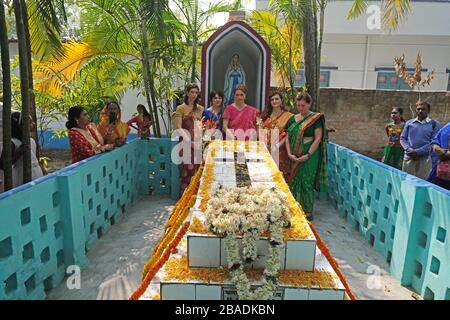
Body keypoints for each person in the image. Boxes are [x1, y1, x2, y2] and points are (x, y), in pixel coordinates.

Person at [285, 93, 328, 221]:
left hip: (310, 155)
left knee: (306, 182)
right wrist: (289, 153)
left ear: (309, 104)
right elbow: (287, 136)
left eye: (303, 105)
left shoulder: (316, 118)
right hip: (293, 154)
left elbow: (318, 138)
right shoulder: (292, 119)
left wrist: (308, 154)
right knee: (293, 181)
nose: (300, 108)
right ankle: (293, 210)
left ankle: (307, 212)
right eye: (298, 105)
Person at [172, 83, 204, 193]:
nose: (194, 95)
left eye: (196, 92)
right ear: (187, 93)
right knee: (186, 173)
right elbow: (179, 128)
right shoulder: (180, 108)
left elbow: (200, 127)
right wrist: (190, 143)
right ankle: (184, 202)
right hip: (185, 145)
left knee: (197, 173)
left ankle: (194, 200)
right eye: (192, 92)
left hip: (198, 145)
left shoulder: (200, 109)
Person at [400, 101, 441, 180]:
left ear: (428, 110)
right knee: (407, 180)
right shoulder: (409, 123)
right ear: (416, 110)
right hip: (409, 157)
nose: (420, 111)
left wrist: (418, 152)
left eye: (423, 109)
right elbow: (402, 138)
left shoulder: (434, 124)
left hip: (425, 159)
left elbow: (433, 142)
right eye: (418, 109)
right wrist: (409, 149)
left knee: (422, 182)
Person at [6, 112, 44, 187]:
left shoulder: (31, 141)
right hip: (21, 176)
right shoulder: (13, 142)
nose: (33, 124)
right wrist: (19, 152)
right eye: (30, 122)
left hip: (36, 174)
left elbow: (35, 158)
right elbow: (3, 165)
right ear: (21, 125)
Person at [260, 92, 293, 180]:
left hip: (280, 150)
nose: (274, 101)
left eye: (277, 99)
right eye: (272, 99)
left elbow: (289, 134)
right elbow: (260, 131)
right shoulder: (265, 116)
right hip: (266, 149)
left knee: (279, 176)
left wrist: (277, 146)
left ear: (281, 101)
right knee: (266, 174)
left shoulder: (288, 116)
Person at [427, 122, 450, 190]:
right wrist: (438, 149)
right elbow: (435, 140)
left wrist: (447, 154)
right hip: (440, 171)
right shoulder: (448, 126)